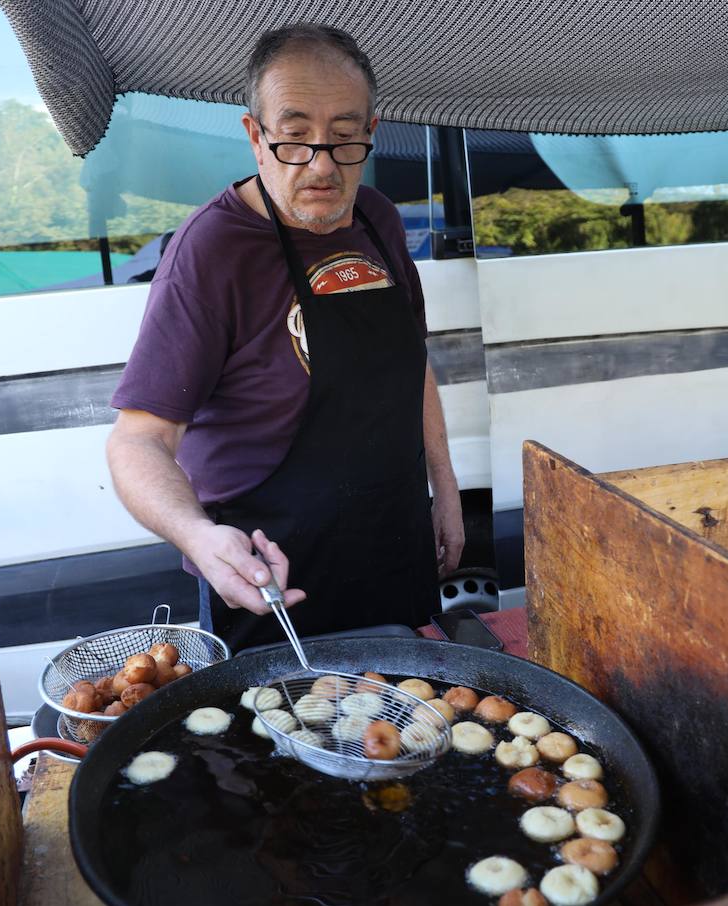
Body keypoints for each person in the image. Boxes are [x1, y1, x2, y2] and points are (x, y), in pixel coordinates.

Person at [106, 23, 463, 652]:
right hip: (269, 570)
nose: (322, 165)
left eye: (345, 138)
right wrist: (197, 535)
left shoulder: (378, 219)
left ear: (371, 133)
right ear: (255, 135)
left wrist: (446, 486)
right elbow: (139, 440)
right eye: (295, 138)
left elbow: (414, 363)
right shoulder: (213, 250)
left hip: (391, 540)